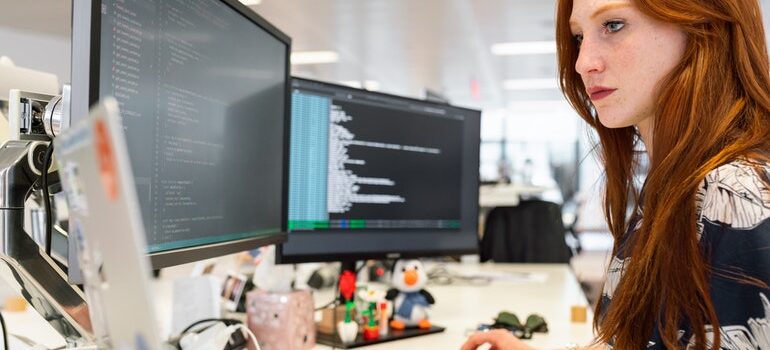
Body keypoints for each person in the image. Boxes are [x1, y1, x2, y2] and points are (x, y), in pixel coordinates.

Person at [462, 0, 770, 349]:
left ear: (704, 25)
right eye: (578, 36)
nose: (582, 63)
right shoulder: (677, 183)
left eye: (613, 25)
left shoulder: (734, 193)